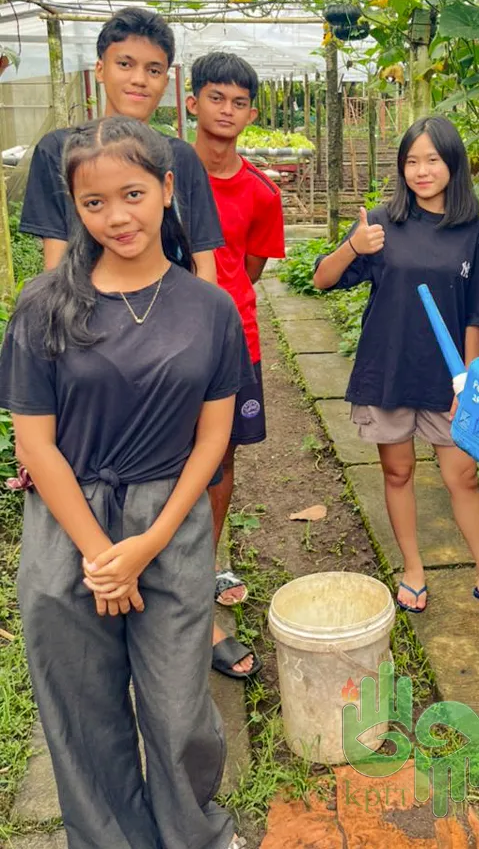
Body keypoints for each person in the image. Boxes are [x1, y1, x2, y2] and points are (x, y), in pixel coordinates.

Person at [0, 117, 251, 849]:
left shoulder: (208, 308)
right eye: (94, 202)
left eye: (132, 194)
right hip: (66, 526)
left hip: (168, 521)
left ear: (167, 189)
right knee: (81, 712)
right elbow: (35, 444)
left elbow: (213, 438)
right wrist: (100, 555)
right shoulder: (44, 303)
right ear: (75, 209)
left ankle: (194, 835)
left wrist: (146, 544)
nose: (117, 216)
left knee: (177, 708)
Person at [313, 115, 479, 618]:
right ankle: (413, 569)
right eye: (412, 161)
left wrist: (469, 382)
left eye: (432, 160)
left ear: (453, 164)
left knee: (463, 476)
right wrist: (353, 245)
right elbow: (323, 280)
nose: (421, 171)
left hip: (448, 377)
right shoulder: (380, 222)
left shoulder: (474, 232)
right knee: (398, 473)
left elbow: (478, 316)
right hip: (389, 369)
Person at [190, 52, 285, 681]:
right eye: (215, 97)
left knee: (221, 458)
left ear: (251, 113)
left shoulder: (261, 192)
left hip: (234, 340)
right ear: (192, 102)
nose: (227, 110)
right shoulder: (163, 175)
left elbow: (249, 270)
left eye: (239, 101)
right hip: (165, 342)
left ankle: (205, 565)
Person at [19, 7, 223, 282]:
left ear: (165, 81)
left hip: (173, 304)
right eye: (125, 64)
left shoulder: (181, 157)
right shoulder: (59, 150)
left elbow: (202, 261)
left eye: (153, 70)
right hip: (84, 303)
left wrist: (201, 308)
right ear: (100, 70)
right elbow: (57, 263)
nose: (139, 80)